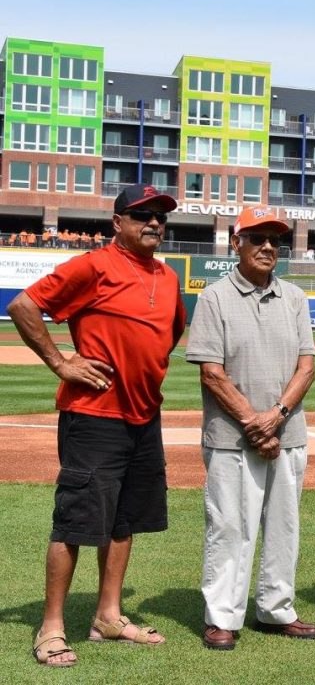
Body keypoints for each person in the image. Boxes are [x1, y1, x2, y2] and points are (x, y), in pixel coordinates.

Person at [7, 184, 184, 667]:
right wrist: (62, 362)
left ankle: (108, 614)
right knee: (74, 522)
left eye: (160, 216)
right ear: (118, 222)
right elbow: (24, 306)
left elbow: (168, 336)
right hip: (93, 417)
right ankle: (51, 626)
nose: (153, 223)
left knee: (123, 520)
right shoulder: (94, 265)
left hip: (144, 416)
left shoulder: (167, 277)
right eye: (141, 214)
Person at [186, 207, 315, 651]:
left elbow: (307, 366)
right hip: (231, 438)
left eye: (273, 240)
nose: (266, 247)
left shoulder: (295, 297)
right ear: (235, 243)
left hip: (289, 432)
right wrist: (253, 422)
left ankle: (276, 609)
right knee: (229, 527)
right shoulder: (215, 297)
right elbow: (211, 372)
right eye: (256, 238)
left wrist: (276, 416)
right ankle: (223, 616)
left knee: (285, 526)